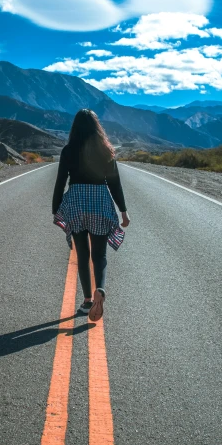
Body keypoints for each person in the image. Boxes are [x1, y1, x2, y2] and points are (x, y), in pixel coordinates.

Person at [52, 109, 130, 321]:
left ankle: (87, 301)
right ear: (97, 128)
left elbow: (60, 181)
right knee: (100, 255)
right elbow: (115, 183)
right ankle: (100, 289)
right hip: (100, 202)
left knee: (83, 255)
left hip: (76, 203)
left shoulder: (68, 150)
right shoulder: (106, 150)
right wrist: (123, 211)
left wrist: (55, 209)